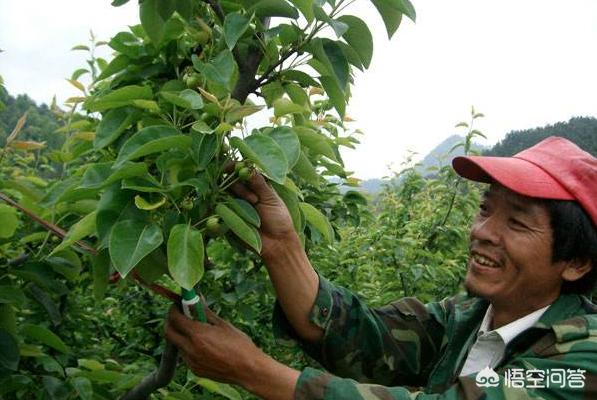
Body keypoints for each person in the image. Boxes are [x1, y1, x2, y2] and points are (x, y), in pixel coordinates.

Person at [165, 136, 597, 399]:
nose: (484, 231)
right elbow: (363, 337)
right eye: (485, 210)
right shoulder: (465, 318)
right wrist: (280, 245)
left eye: (517, 223)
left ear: (576, 263)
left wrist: (250, 369)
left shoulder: (583, 360)